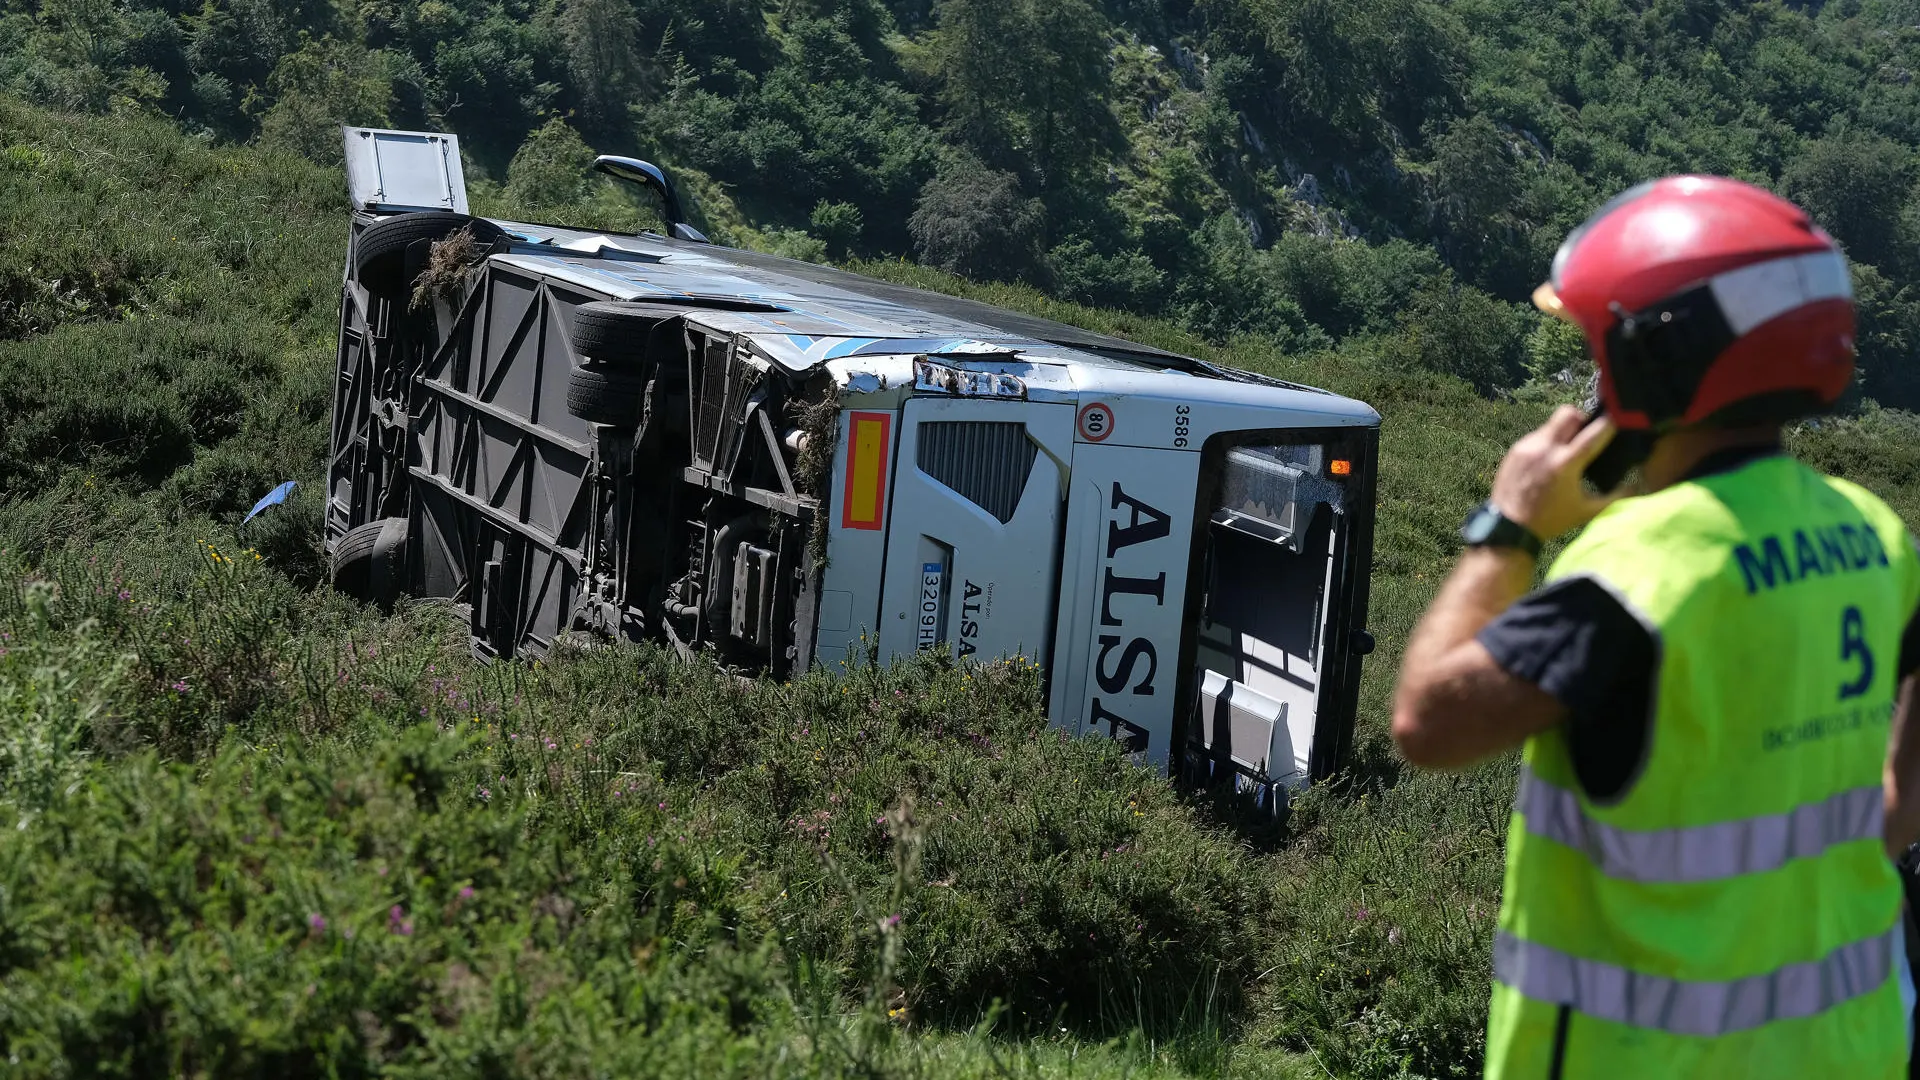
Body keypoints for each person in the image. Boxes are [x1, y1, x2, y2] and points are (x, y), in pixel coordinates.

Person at [1390, 175, 1920, 1078]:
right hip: (1849, 1051)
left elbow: (1425, 724)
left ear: (1653, 363)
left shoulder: (1639, 570)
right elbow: (1900, 800)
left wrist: (1510, 526)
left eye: (1601, 349)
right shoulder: (1874, 534)